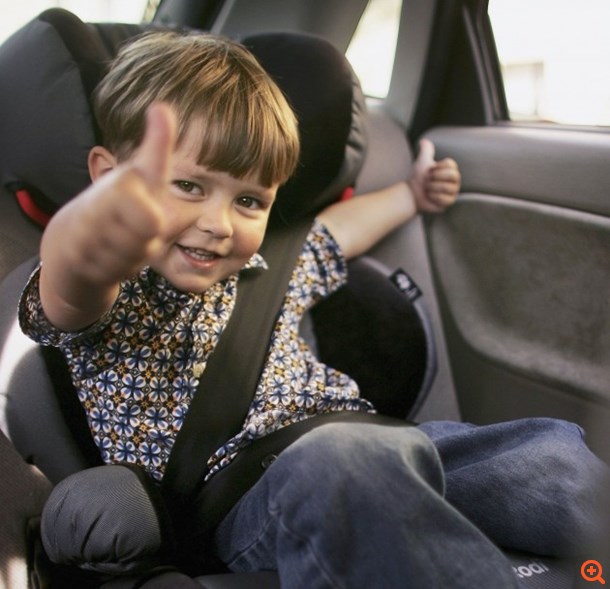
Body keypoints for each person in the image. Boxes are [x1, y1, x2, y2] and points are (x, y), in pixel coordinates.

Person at [18, 30, 606, 589]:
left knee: (545, 452)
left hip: (375, 448)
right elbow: (73, 281)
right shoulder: (114, 296)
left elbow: (336, 231)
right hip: (248, 501)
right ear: (107, 177)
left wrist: (411, 193)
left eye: (249, 200)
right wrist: (95, 225)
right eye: (189, 186)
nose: (219, 224)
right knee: (347, 464)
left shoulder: (265, 268)